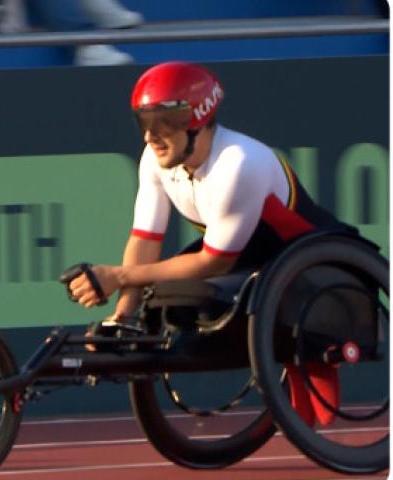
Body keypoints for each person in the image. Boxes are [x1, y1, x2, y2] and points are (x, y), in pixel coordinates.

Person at [65, 62, 352, 427]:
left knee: (193, 282)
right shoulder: (155, 161)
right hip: (246, 258)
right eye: (144, 123)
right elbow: (145, 238)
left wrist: (116, 276)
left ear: (196, 120)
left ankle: (308, 351)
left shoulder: (238, 163)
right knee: (171, 295)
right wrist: (123, 316)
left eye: (163, 123)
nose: (151, 137)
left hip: (304, 255)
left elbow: (213, 262)